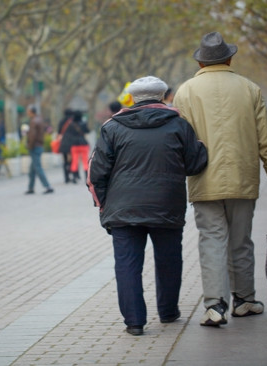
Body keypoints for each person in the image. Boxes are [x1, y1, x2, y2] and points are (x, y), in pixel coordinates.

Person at [173, 31, 267, 327]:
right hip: (242, 177)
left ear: (200, 63)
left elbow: (179, 140)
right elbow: (266, 136)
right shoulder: (249, 89)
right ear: (230, 58)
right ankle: (245, 300)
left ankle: (214, 305)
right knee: (241, 242)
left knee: (211, 240)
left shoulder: (185, 92)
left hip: (203, 179)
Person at [88, 76, 208, 336]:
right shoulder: (179, 125)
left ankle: (134, 322)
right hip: (167, 205)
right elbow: (195, 164)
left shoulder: (112, 127)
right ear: (163, 95)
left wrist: (104, 206)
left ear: (132, 97)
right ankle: (167, 312)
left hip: (122, 209)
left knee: (127, 264)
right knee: (169, 260)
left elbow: (96, 172)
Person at [25, 106, 54, 194]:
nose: (27, 113)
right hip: (39, 145)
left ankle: (47, 186)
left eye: (28, 111)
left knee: (37, 167)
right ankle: (31, 187)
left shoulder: (34, 121)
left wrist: (29, 145)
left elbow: (32, 136)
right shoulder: (40, 120)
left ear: (31, 112)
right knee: (32, 169)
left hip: (35, 146)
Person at [68, 110, 90, 183]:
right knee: (85, 161)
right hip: (83, 144)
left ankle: (74, 178)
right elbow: (87, 131)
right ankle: (86, 177)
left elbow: (69, 134)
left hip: (74, 145)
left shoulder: (71, 124)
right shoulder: (83, 123)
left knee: (74, 161)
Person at [57, 109, 74, 183]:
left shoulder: (61, 121)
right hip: (72, 143)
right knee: (71, 160)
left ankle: (66, 177)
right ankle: (71, 173)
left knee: (65, 160)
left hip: (63, 142)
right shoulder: (72, 122)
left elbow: (59, 131)